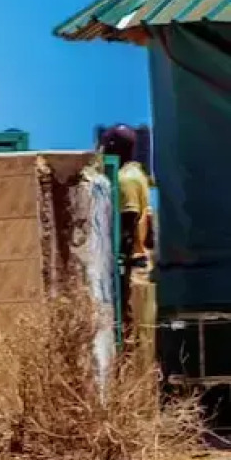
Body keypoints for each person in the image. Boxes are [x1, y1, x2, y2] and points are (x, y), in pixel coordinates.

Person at [99, 123, 153, 338]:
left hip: (130, 265)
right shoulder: (137, 173)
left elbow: (128, 221)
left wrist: (119, 261)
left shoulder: (124, 180)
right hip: (137, 262)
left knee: (126, 326)